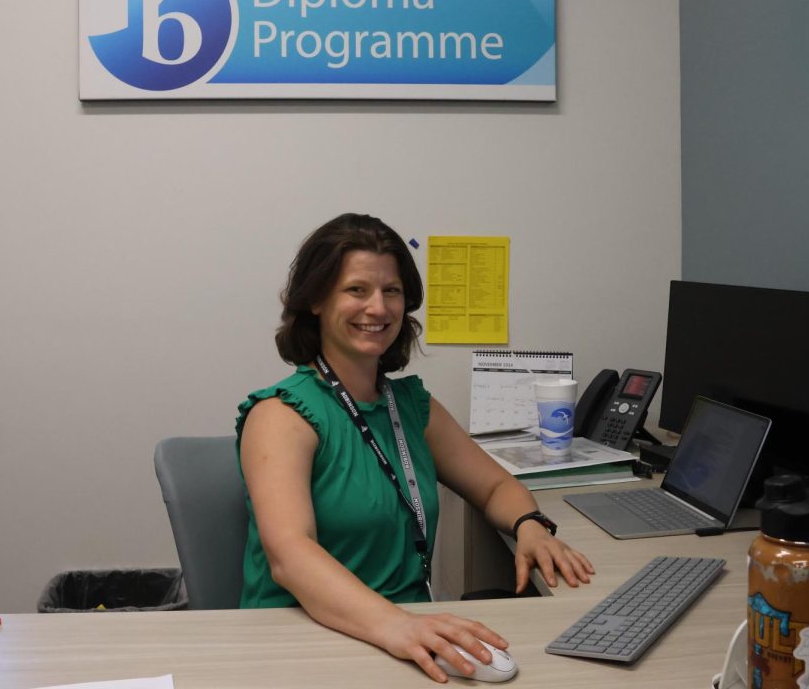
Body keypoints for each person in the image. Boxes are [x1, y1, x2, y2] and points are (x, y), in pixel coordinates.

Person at [236, 213, 594, 683]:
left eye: (392, 291)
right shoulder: (281, 415)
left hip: (407, 636)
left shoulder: (412, 407)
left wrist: (530, 526)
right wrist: (398, 625)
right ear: (317, 300)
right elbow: (290, 555)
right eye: (356, 290)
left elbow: (494, 486)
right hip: (303, 639)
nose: (378, 308)